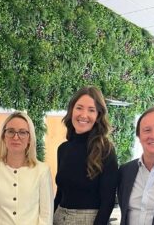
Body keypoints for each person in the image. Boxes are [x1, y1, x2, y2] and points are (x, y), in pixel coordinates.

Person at [54, 86, 118, 225]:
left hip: (89, 220)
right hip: (59, 218)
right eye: (79, 108)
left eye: (91, 110)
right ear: (71, 111)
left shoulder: (106, 150)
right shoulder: (63, 149)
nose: (83, 115)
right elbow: (60, 193)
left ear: (98, 116)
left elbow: (108, 201)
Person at [0, 111, 54, 225]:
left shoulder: (42, 171)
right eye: (11, 131)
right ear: (4, 136)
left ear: (29, 138)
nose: (16, 137)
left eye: (22, 132)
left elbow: (46, 216)